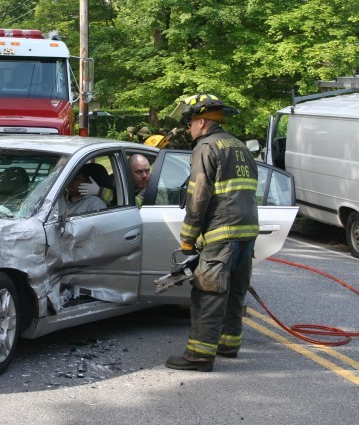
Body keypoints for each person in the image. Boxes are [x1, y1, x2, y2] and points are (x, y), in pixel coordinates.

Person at [165, 93, 259, 372]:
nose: (188, 129)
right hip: (246, 232)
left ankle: (199, 356)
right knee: (233, 291)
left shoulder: (206, 147)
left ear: (202, 122)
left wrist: (188, 237)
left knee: (208, 292)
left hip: (221, 232)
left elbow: (199, 194)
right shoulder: (239, 146)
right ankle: (228, 343)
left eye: (190, 124)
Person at [78, 154, 167, 206]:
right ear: (127, 173)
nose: (144, 176)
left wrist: (100, 191)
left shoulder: (156, 187)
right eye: (139, 172)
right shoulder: (119, 179)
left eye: (147, 171)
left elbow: (133, 205)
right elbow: (111, 182)